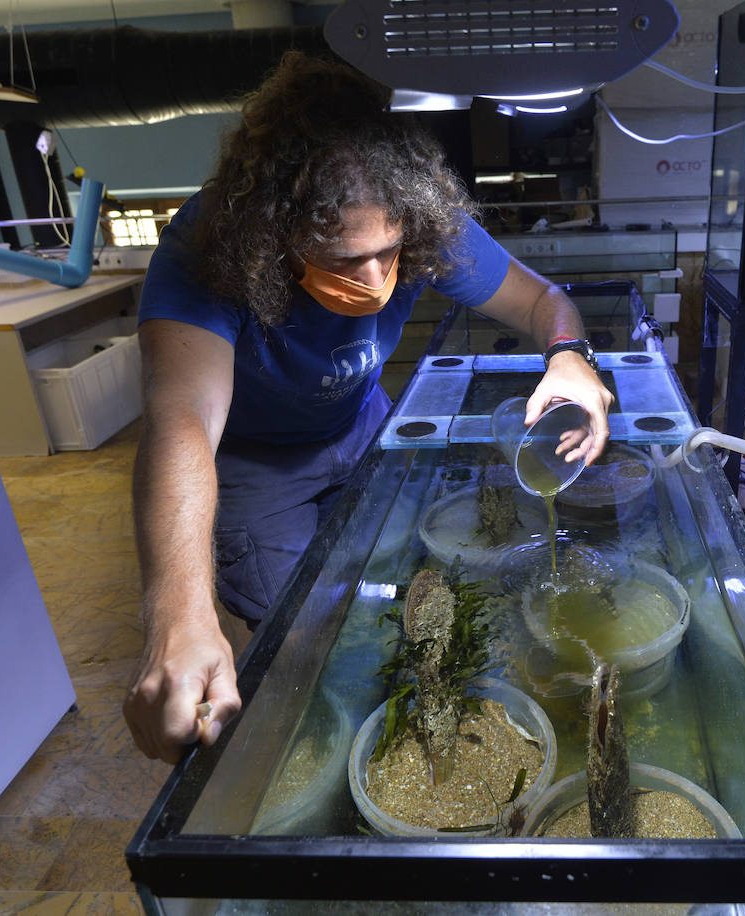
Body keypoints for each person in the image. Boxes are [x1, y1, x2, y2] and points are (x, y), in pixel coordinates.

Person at [123, 51, 613, 765]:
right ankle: (344, 752)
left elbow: (544, 301)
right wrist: (177, 614)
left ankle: (421, 723)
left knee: (403, 589)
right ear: (273, 236)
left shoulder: (422, 221)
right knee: (308, 641)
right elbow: (181, 422)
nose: (377, 279)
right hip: (258, 466)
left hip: (360, 426)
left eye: (389, 252)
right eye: (344, 260)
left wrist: (569, 355)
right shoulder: (207, 248)